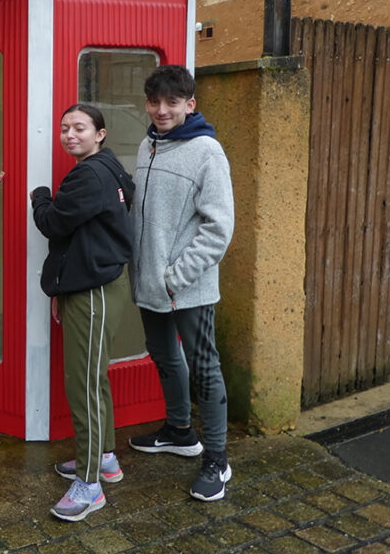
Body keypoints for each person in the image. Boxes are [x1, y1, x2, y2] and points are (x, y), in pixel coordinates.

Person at [128, 64, 235, 502]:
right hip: (151, 283)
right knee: (163, 355)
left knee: (204, 366)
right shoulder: (147, 144)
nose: (161, 110)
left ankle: (217, 459)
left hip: (187, 287)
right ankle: (179, 431)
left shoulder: (207, 151)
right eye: (154, 102)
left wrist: (177, 277)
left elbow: (219, 228)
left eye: (172, 102)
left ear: (190, 105)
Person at [31, 104, 135, 521]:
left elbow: (53, 223)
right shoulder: (109, 167)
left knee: (84, 385)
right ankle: (104, 458)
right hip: (99, 284)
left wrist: (40, 196)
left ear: (100, 133)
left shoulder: (88, 175)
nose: (70, 134)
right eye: (64, 128)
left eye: (79, 128)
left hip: (93, 292)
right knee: (95, 377)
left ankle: (90, 485)